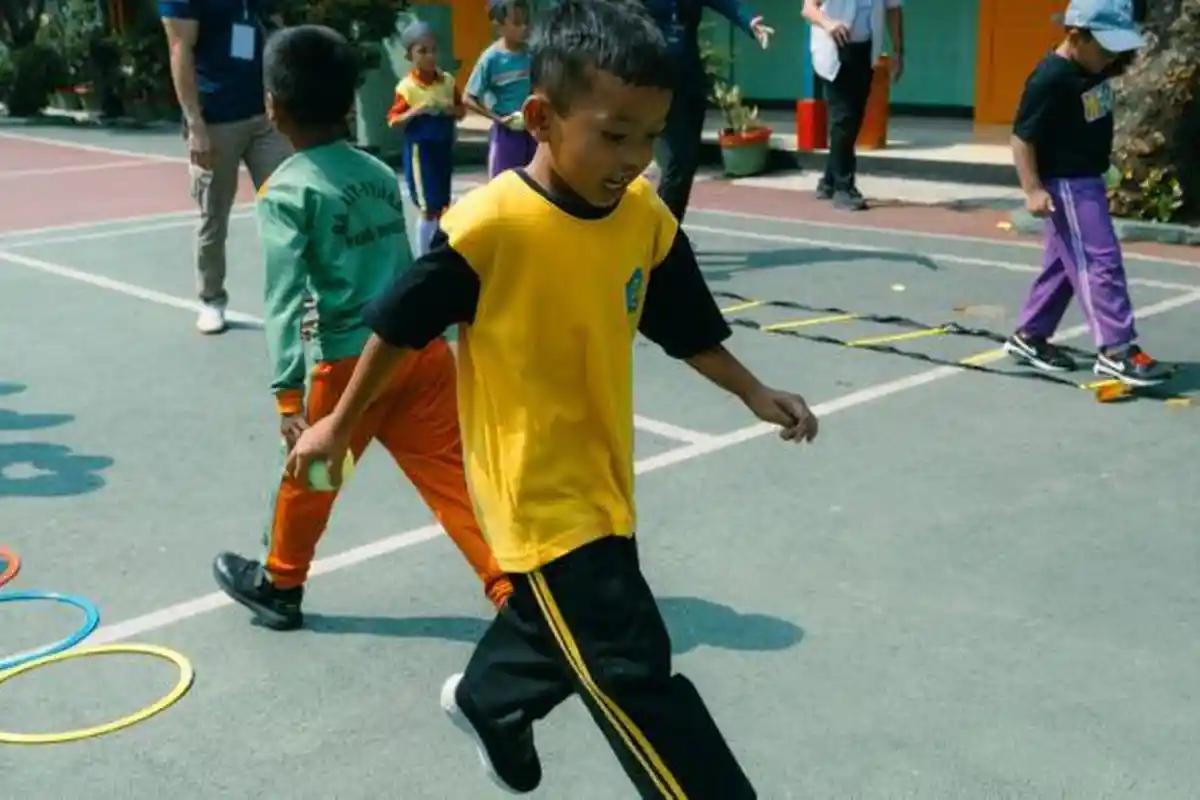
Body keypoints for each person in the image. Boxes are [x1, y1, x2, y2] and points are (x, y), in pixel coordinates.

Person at [284, 0, 818, 794]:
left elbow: (684, 325)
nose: (636, 158)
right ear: (541, 117)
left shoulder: (641, 218)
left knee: (556, 627)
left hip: (603, 479)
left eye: (650, 135)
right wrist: (335, 424)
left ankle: (487, 700)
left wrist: (753, 390)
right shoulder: (490, 227)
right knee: (632, 669)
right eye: (614, 133)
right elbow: (398, 329)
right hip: (534, 491)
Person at [211, 23, 513, 632]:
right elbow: (404, 270)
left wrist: (288, 395)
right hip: (417, 352)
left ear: (273, 109)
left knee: (311, 477)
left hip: (349, 369)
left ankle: (281, 585)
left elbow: (283, 300)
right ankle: (512, 590)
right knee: (454, 476)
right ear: (350, 103)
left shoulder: (286, 191)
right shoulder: (377, 174)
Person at [1003, 0, 1171, 387]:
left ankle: (1030, 335)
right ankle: (1117, 349)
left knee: (1064, 265)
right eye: (1106, 47)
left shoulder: (1091, 67)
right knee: (1101, 261)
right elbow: (1022, 138)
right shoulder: (1050, 78)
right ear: (1076, 36)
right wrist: (1032, 190)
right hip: (1067, 184)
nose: (1112, 56)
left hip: (1088, 178)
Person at [159, 0, 293, 334]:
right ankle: (211, 299)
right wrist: (195, 125)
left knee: (289, 208)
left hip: (266, 116)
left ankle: (300, 295)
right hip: (216, 120)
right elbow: (180, 49)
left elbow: (277, 33)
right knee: (214, 216)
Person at [643, 0, 772, 221]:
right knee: (675, 160)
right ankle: (659, 237)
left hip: (689, 81)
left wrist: (750, 21)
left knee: (686, 162)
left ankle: (667, 234)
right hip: (650, 82)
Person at [803, 0, 903, 211]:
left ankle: (829, 181)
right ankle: (844, 187)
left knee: (853, 118)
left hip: (865, 50)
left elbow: (893, 9)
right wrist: (829, 24)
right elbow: (808, 8)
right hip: (835, 47)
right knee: (844, 118)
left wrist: (898, 51)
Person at [387, 21, 467, 256]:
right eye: (422, 51)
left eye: (433, 50)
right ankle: (423, 257)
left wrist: (446, 109)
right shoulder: (407, 87)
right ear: (410, 55)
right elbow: (393, 121)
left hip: (444, 148)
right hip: (421, 153)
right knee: (427, 206)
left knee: (443, 205)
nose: (430, 56)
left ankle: (439, 251)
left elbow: (461, 111)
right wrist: (416, 110)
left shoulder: (447, 81)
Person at [464, 0, 536, 178]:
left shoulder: (533, 54)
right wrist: (499, 119)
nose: (524, 27)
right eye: (518, 23)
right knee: (504, 181)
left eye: (527, 21)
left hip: (535, 129)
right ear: (500, 26)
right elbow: (468, 98)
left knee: (535, 182)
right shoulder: (491, 59)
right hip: (507, 134)